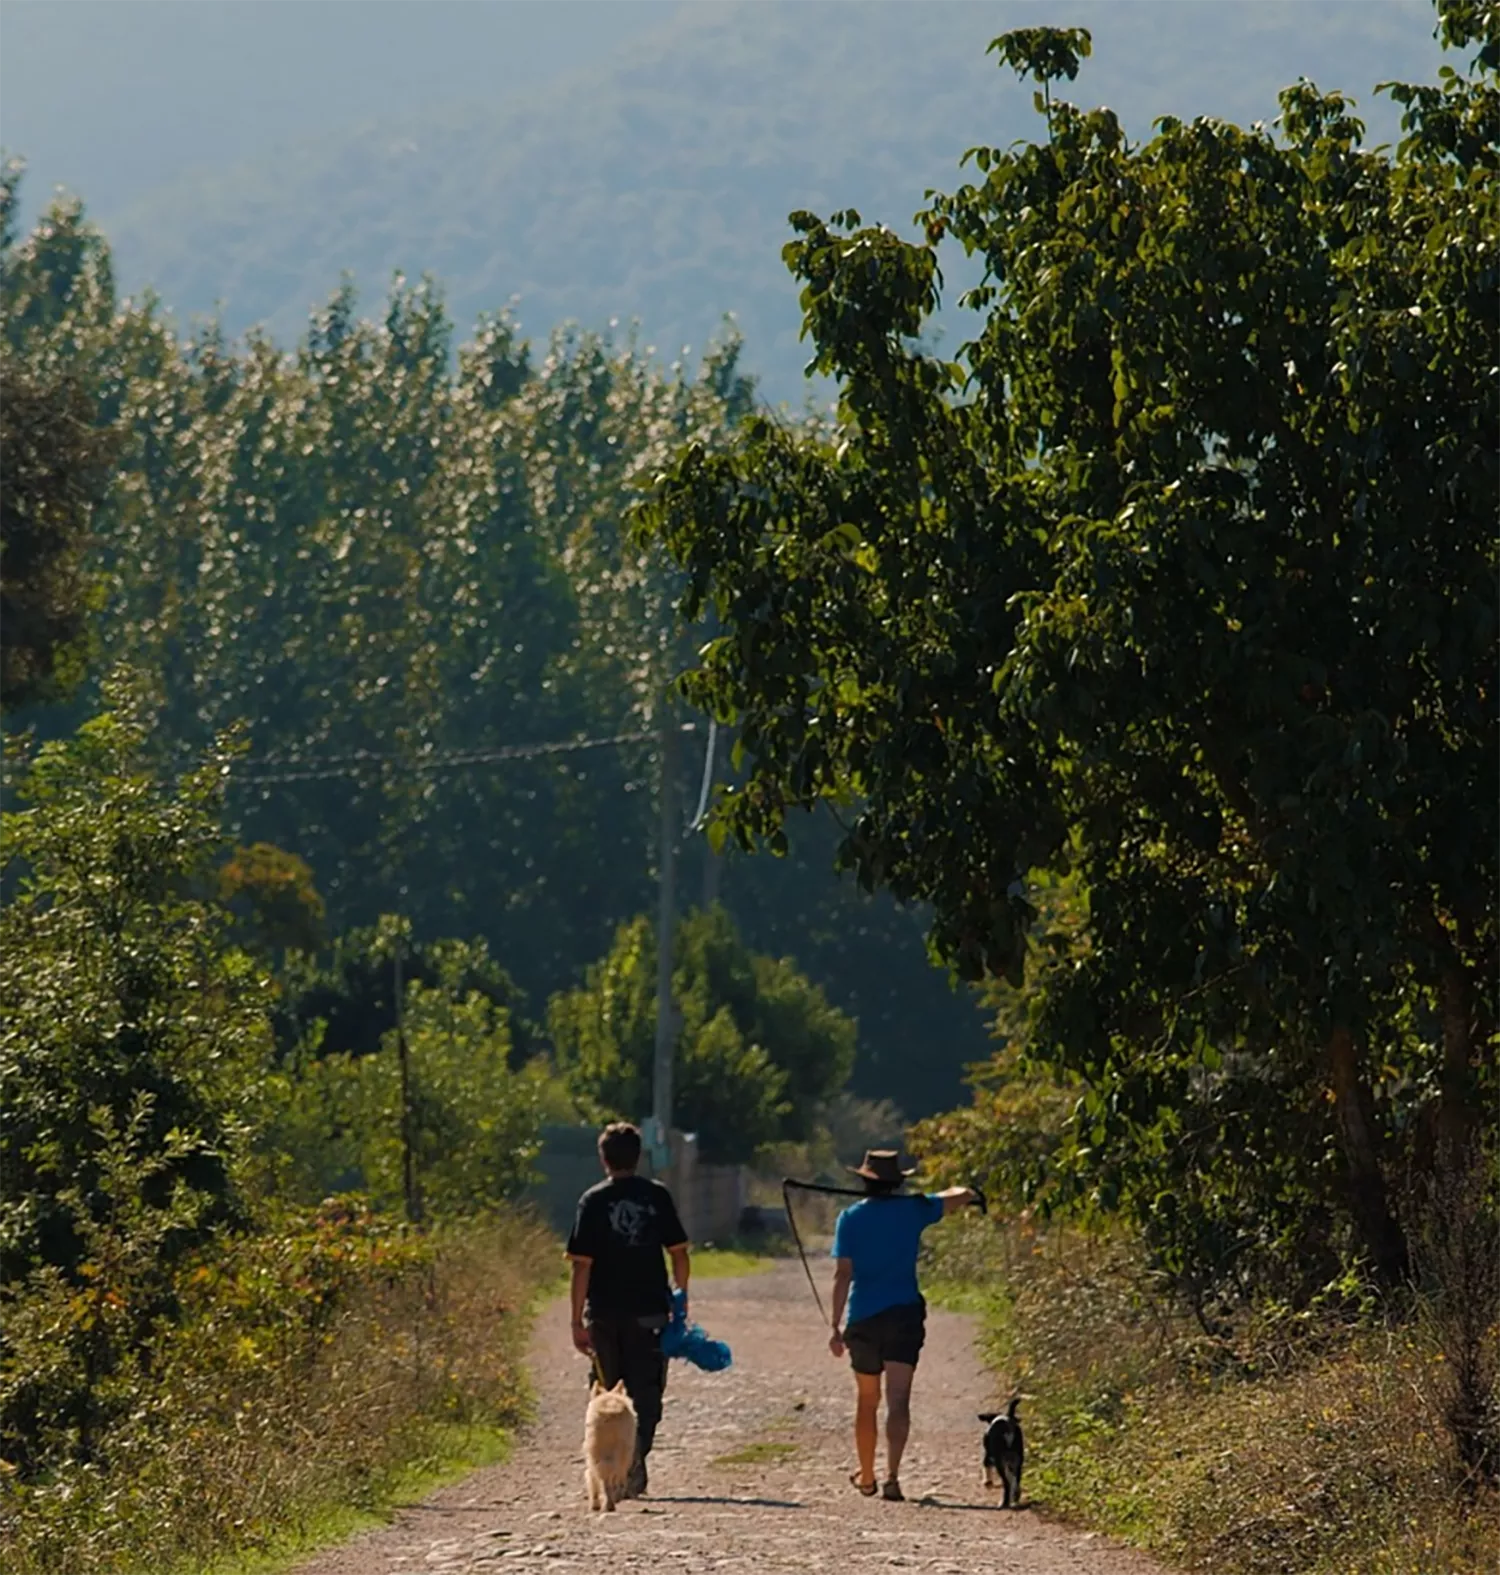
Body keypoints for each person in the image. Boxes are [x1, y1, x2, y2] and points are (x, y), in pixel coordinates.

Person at [827, 1149, 976, 1501]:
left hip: (863, 1317)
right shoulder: (914, 1209)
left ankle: (866, 1476)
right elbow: (960, 1194)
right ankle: (892, 1476)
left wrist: (835, 1326)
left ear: (864, 1180)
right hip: (904, 1315)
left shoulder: (849, 1219)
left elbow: (842, 1274)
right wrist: (969, 1193)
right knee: (898, 1398)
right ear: (898, 1182)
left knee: (867, 1400)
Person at [566, 1121, 690, 1499]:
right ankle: (632, 1460)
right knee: (647, 1392)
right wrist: (681, 1297)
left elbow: (581, 1265)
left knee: (605, 1392)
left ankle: (608, 1467)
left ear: (603, 1158)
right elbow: (679, 1253)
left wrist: (575, 1320)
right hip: (650, 1312)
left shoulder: (592, 1201)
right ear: (640, 1157)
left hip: (603, 1313)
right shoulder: (657, 1196)